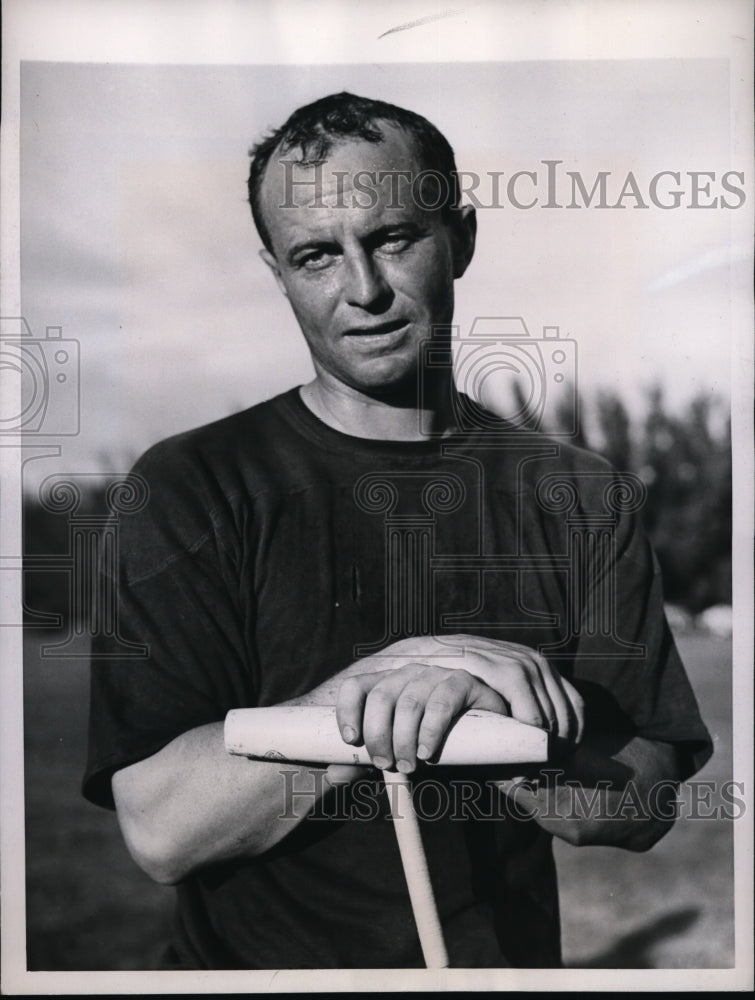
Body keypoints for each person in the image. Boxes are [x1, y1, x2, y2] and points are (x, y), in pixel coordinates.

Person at [83, 92, 712, 969]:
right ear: (278, 273)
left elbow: (643, 802)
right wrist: (374, 696)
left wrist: (497, 728)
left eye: (391, 238)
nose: (364, 290)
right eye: (315, 256)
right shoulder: (192, 486)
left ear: (461, 237)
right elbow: (160, 830)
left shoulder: (578, 492)